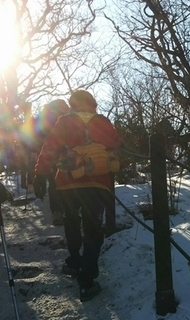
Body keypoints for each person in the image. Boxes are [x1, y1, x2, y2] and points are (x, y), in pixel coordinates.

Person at [33, 90, 121, 302]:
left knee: (71, 222)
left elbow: (50, 147)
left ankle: (74, 261)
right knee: (93, 228)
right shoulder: (104, 122)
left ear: (73, 105)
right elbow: (117, 147)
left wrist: (39, 173)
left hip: (67, 183)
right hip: (97, 183)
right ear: (93, 104)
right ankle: (87, 281)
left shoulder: (64, 122)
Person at [18, 99, 69, 225]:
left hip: (46, 153)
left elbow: (31, 132)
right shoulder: (68, 117)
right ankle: (66, 210)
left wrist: (32, 150)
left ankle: (57, 212)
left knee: (53, 182)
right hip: (65, 153)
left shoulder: (44, 117)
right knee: (63, 181)